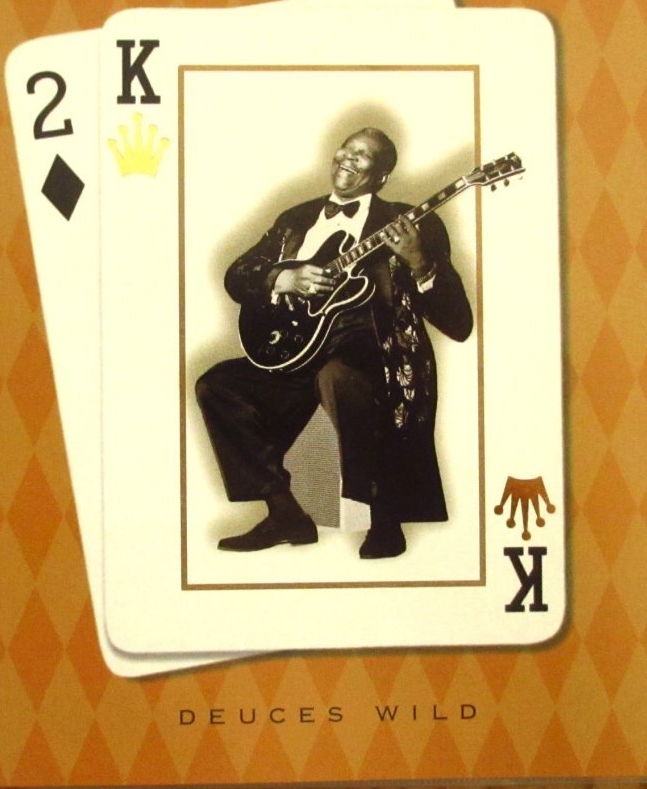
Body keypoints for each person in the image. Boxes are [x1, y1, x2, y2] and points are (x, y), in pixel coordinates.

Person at [194, 126, 473, 559]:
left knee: (339, 377)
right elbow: (237, 275)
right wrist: (284, 278)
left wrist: (420, 262)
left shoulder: (411, 223)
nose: (348, 157)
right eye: (347, 148)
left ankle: (383, 517)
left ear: (381, 176)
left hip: (372, 353)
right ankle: (284, 513)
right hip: (297, 347)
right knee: (217, 385)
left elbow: (459, 323)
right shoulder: (295, 219)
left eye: (364, 155)